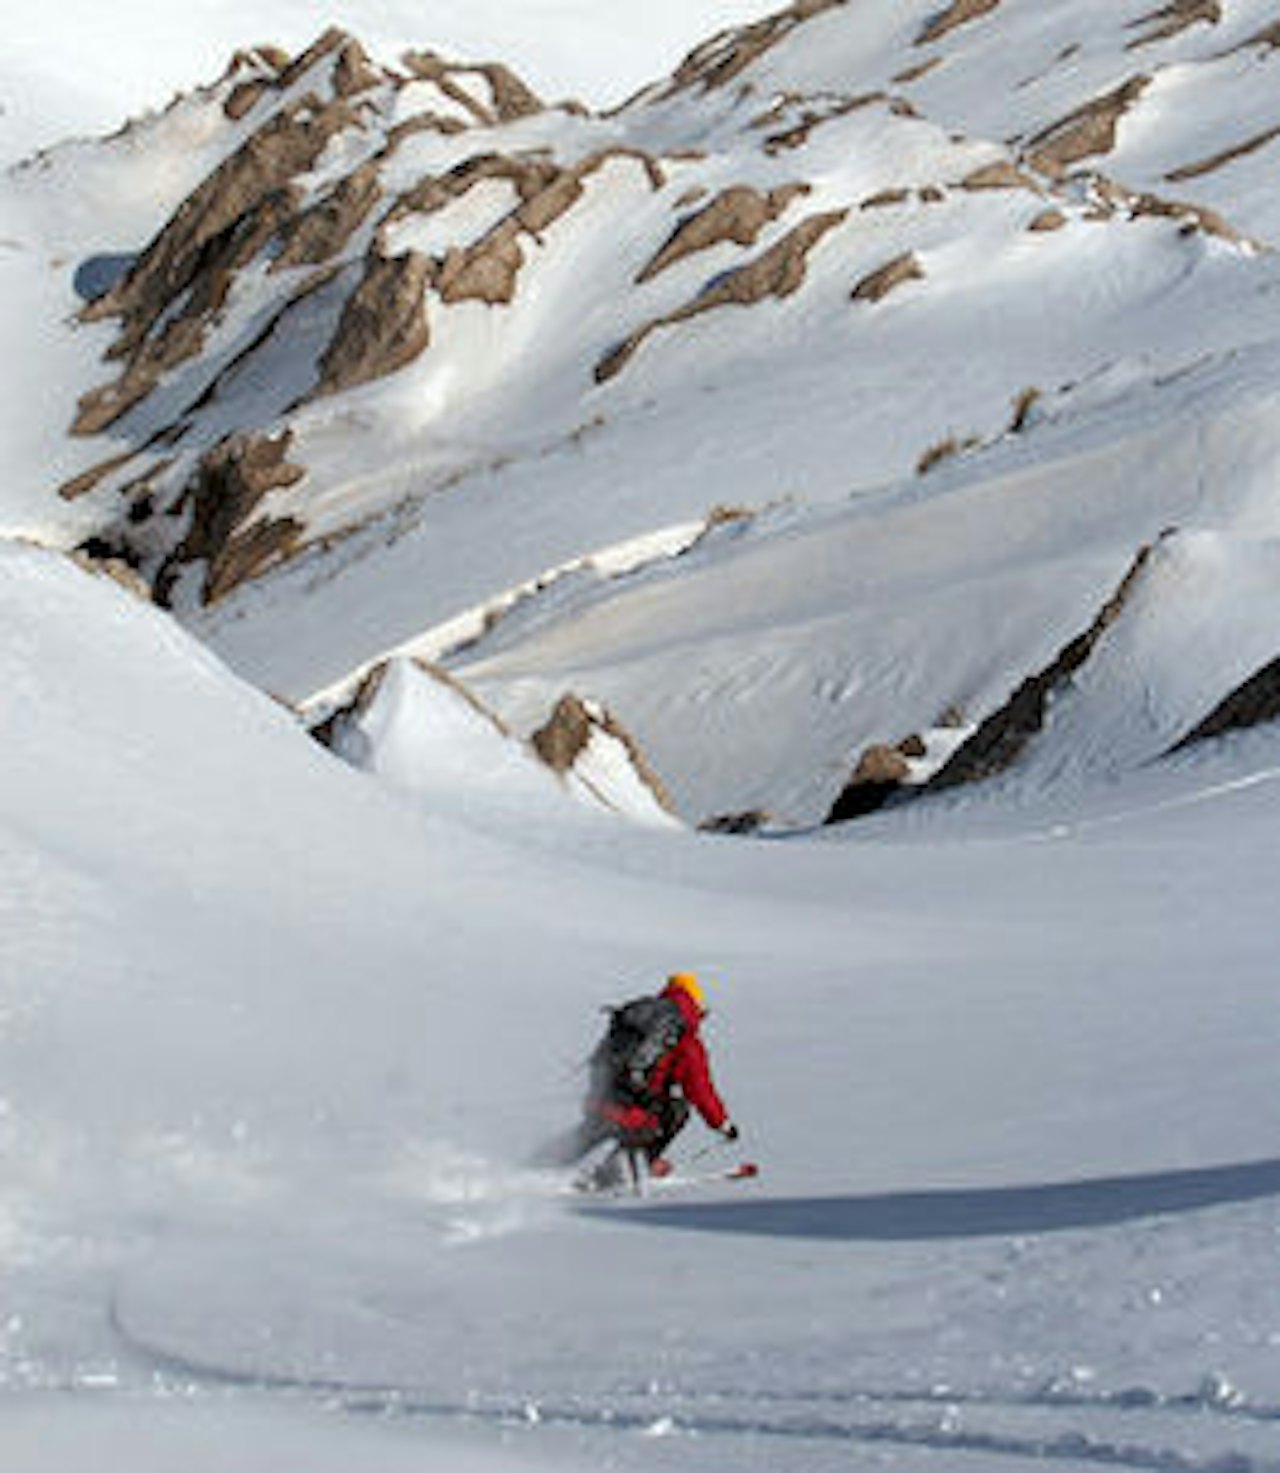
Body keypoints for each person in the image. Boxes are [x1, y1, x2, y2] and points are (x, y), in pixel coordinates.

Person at [573, 971, 738, 1189]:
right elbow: (699, 1088)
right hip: (632, 1116)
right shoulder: (683, 1036)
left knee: (584, 1136)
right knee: (676, 1109)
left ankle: (533, 1168)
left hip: (600, 1102)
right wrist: (722, 1124)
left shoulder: (639, 1019)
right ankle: (619, 1171)